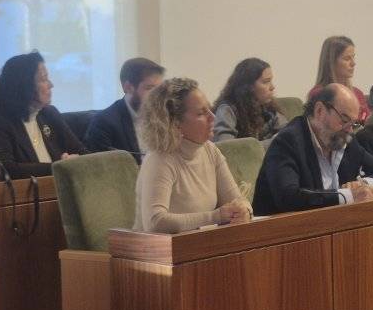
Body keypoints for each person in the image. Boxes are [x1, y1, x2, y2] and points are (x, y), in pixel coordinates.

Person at [253, 83, 373, 215]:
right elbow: (288, 197)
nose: (349, 130)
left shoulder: (345, 139)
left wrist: (364, 186)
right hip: (284, 231)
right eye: (344, 120)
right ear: (320, 111)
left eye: (353, 124)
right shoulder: (288, 141)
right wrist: (348, 195)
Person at [133, 77, 252, 234]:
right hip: (157, 248)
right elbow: (155, 222)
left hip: (199, 244)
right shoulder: (159, 159)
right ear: (175, 122)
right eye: (201, 113)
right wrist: (216, 216)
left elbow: (237, 200)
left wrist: (244, 211)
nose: (213, 117)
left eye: (210, 109)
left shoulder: (210, 150)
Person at [0, 51, 87, 179]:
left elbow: (83, 153)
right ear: (24, 85)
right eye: (44, 79)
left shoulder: (49, 114)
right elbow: (2, 169)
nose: (51, 85)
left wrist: (76, 161)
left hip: (57, 189)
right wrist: (59, 167)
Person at [84, 58, 164, 163]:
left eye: (159, 89)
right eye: (149, 88)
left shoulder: (164, 117)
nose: (158, 95)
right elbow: (102, 168)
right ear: (128, 87)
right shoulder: (103, 123)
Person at [212, 58, 287, 148]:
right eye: (266, 82)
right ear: (248, 87)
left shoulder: (269, 107)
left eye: (271, 81)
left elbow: (288, 135)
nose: (272, 87)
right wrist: (274, 142)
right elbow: (227, 147)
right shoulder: (227, 110)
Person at [307, 36, 370, 122]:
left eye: (353, 57)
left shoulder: (357, 93)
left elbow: (368, 122)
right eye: (347, 58)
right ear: (331, 62)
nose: (353, 63)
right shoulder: (318, 94)